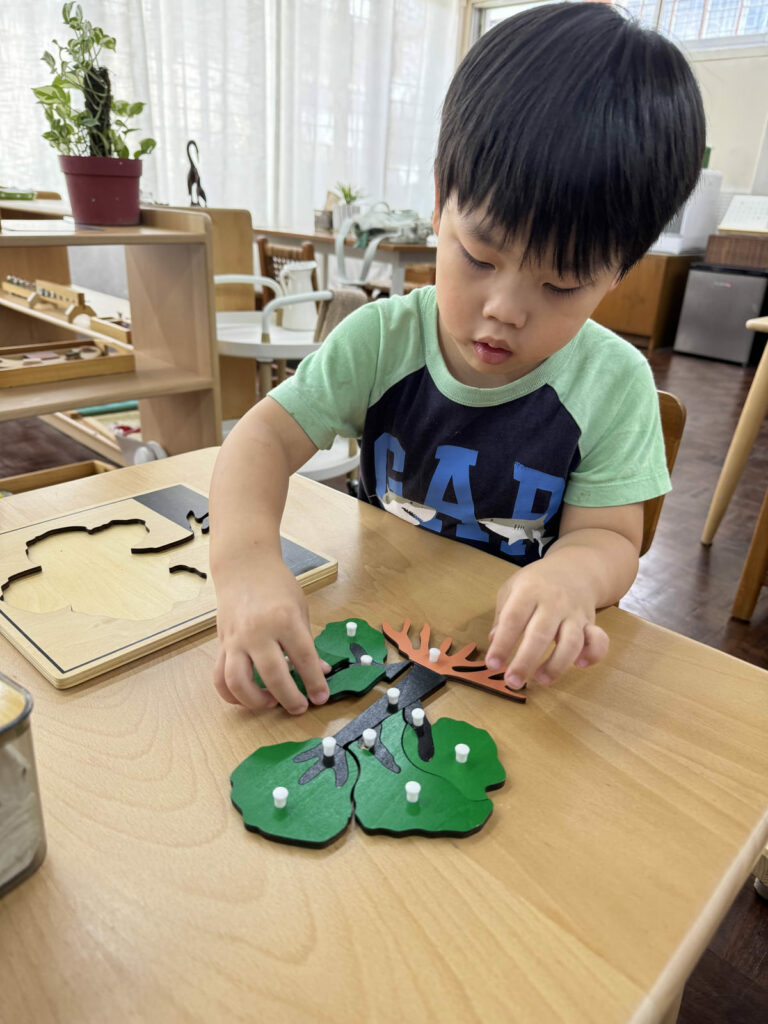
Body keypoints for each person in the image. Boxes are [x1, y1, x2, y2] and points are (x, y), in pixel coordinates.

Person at [209, 2, 705, 714]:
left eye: (561, 285)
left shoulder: (613, 383)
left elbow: (610, 538)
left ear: (619, 272)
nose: (504, 308)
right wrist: (247, 566)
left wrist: (571, 579)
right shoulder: (381, 340)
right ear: (441, 202)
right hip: (380, 631)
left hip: (514, 676)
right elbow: (259, 439)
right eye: (479, 255)